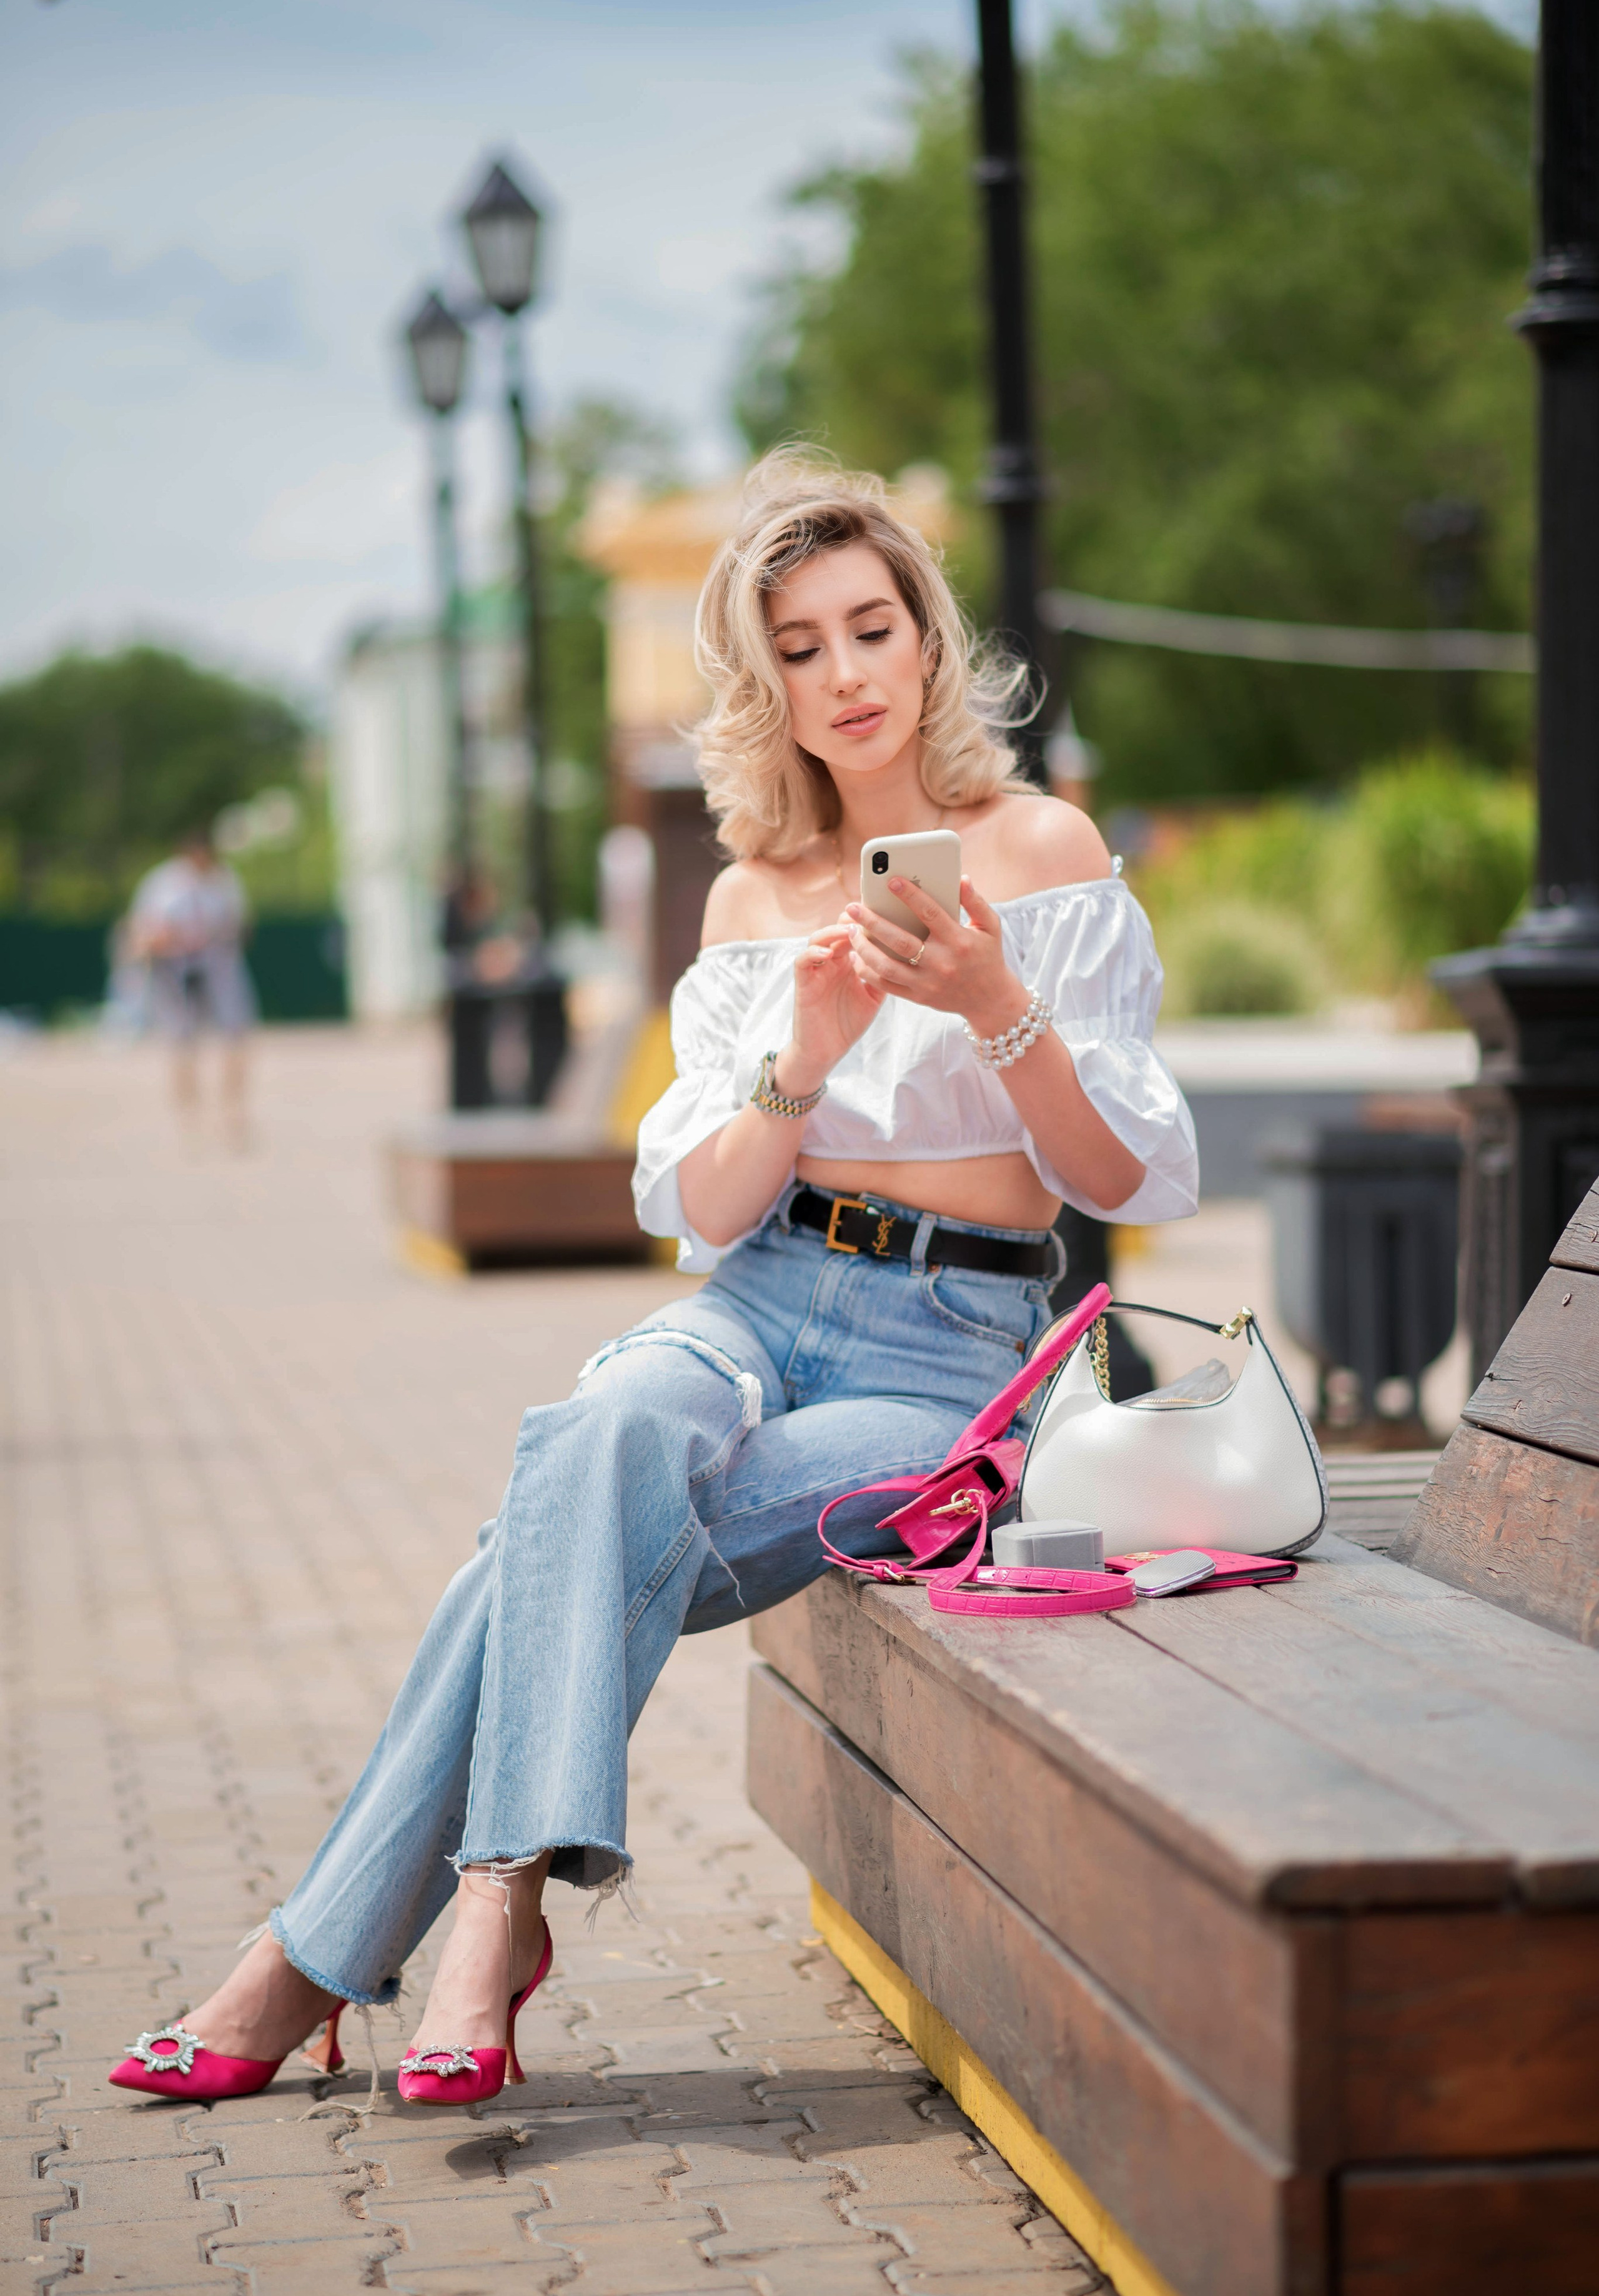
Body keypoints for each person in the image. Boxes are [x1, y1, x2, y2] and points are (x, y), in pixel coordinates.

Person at [110, 454, 1198, 2108]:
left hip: (947, 1358)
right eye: (802, 647)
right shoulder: (751, 895)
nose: (846, 675)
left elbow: (1125, 1178)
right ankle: (490, 1899)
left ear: (927, 636)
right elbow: (699, 1206)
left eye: (871, 628)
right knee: (611, 1421)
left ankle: (351, 1942)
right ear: (762, 682)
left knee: (548, 1521)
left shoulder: (1038, 850)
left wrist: (996, 1001)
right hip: (758, 1301)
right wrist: (798, 1065)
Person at [125, 825, 257, 1147]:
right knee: (182, 1043)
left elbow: (241, 925)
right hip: (175, 971)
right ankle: (190, 1118)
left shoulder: (225, 882)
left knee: (235, 1037)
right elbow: (141, 931)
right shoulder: (162, 884)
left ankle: (232, 1113)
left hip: (218, 967)